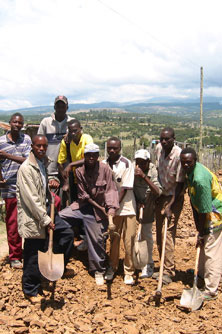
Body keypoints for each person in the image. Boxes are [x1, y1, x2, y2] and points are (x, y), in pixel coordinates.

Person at [16, 135, 74, 304]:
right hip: (33, 217)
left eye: (44, 146)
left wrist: (51, 181)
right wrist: (46, 220)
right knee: (32, 253)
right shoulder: (26, 168)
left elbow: (41, 185)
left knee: (66, 234)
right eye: (38, 146)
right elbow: (31, 200)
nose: (41, 149)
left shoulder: (42, 164)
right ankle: (30, 289)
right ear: (32, 146)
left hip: (46, 209)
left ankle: (51, 266)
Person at [59, 143, 119, 286]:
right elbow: (84, 196)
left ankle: (98, 270)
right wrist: (100, 207)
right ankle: (63, 250)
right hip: (83, 206)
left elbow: (111, 190)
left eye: (94, 155)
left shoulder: (105, 170)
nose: (91, 157)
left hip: (99, 212)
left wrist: (110, 209)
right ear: (84, 156)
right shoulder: (79, 171)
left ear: (98, 156)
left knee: (97, 238)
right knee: (59, 218)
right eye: (88, 155)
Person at [180, 147, 222, 300]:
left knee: (212, 250)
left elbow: (204, 209)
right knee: (204, 245)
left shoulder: (200, 179)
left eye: (189, 162)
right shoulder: (190, 173)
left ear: (195, 161)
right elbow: (193, 201)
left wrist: (202, 231)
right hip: (206, 213)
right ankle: (202, 274)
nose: (185, 165)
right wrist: (199, 229)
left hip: (214, 215)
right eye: (183, 162)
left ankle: (211, 289)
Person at [103, 137, 137, 285]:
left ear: (120, 148)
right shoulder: (103, 164)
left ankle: (129, 271)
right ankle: (112, 266)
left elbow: (125, 188)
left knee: (129, 240)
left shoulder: (127, 163)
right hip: (112, 208)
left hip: (127, 207)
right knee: (114, 239)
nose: (112, 151)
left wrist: (114, 205)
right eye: (109, 148)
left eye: (115, 148)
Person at [0, 113, 31, 269]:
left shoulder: (26, 140)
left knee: (28, 222)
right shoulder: (1, 142)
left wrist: (6, 155)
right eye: (15, 122)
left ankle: (28, 251)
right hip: (9, 188)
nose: (17, 125)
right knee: (13, 223)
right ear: (10, 123)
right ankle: (15, 256)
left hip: (26, 187)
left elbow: (28, 160)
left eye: (20, 122)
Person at [154, 127, 185, 284]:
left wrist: (170, 206)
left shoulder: (179, 155)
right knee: (159, 233)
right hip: (161, 195)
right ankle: (161, 267)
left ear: (174, 139)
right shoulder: (158, 149)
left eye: (167, 139)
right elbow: (157, 172)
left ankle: (168, 271)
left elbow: (180, 185)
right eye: (162, 139)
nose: (164, 142)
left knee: (168, 233)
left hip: (174, 197)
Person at [133, 149, 162, 278]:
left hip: (149, 205)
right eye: (137, 162)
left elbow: (157, 191)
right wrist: (137, 201)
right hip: (135, 204)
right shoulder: (132, 170)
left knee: (146, 234)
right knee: (134, 235)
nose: (139, 165)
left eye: (142, 163)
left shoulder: (153, 171)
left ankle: (148, 263)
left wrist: (144, 177)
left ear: (148, 162)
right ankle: (136, 262)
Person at [38, 95, 73, 191]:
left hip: (67, 168)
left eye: (63, 106)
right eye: (58, 106)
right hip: (50, 168)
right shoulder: (46, 122)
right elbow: (39, 143)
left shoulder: (72, 123)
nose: (61, 109)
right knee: (52, 198)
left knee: (67, 196)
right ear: (54, 107)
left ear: (67, 107)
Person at [58, 119, 93, 203]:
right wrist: (65, 180)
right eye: (70, 131)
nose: (73, 133)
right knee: (75, 203)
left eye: (75, 131)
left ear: (80, 129)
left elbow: (90, 157)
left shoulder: (86, 138)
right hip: (75, 179)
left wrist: (71, 165)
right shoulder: (66, 142)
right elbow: (60, 162)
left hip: (89, 177)